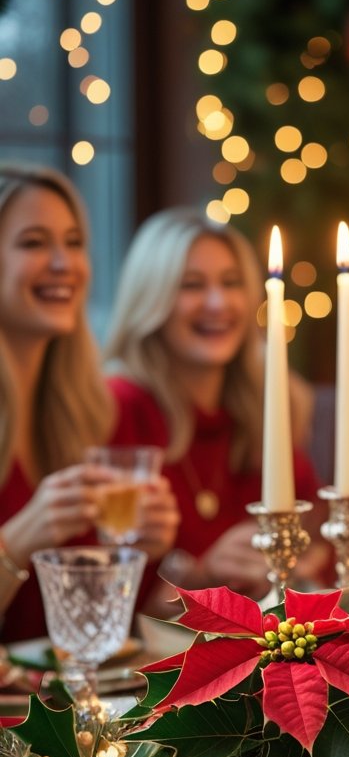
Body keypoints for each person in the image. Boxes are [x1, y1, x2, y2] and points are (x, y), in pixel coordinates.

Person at [106, 207, 322, 602]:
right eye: (192, 285)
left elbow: (320, 550)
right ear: (151, 299)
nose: (218, 302)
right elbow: (103, 590)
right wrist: (202, 574)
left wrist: (295, 565)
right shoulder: (119, 407)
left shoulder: (270, 404)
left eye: (231, 282)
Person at [0, 163, 178, 642]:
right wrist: (15, 544)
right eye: (34, 243)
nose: (64, 264)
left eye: (74, 243)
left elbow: (95, 632)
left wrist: (143, 553)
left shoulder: (95, 413)